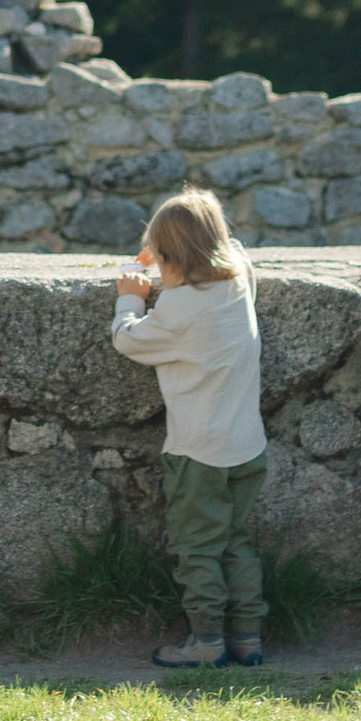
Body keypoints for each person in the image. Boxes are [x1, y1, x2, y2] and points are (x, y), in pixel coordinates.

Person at [111, 187, 267, 668]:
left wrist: (131, 299)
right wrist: (164, 255)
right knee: (236, 542)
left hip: (198, 452)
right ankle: (248, 637)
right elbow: (228, 250)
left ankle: (205, 642)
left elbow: (128, 341)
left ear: (171, 260)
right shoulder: (239, 282)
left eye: (161, 258)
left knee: (197, 549)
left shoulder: (178, 311)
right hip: (246, 446)